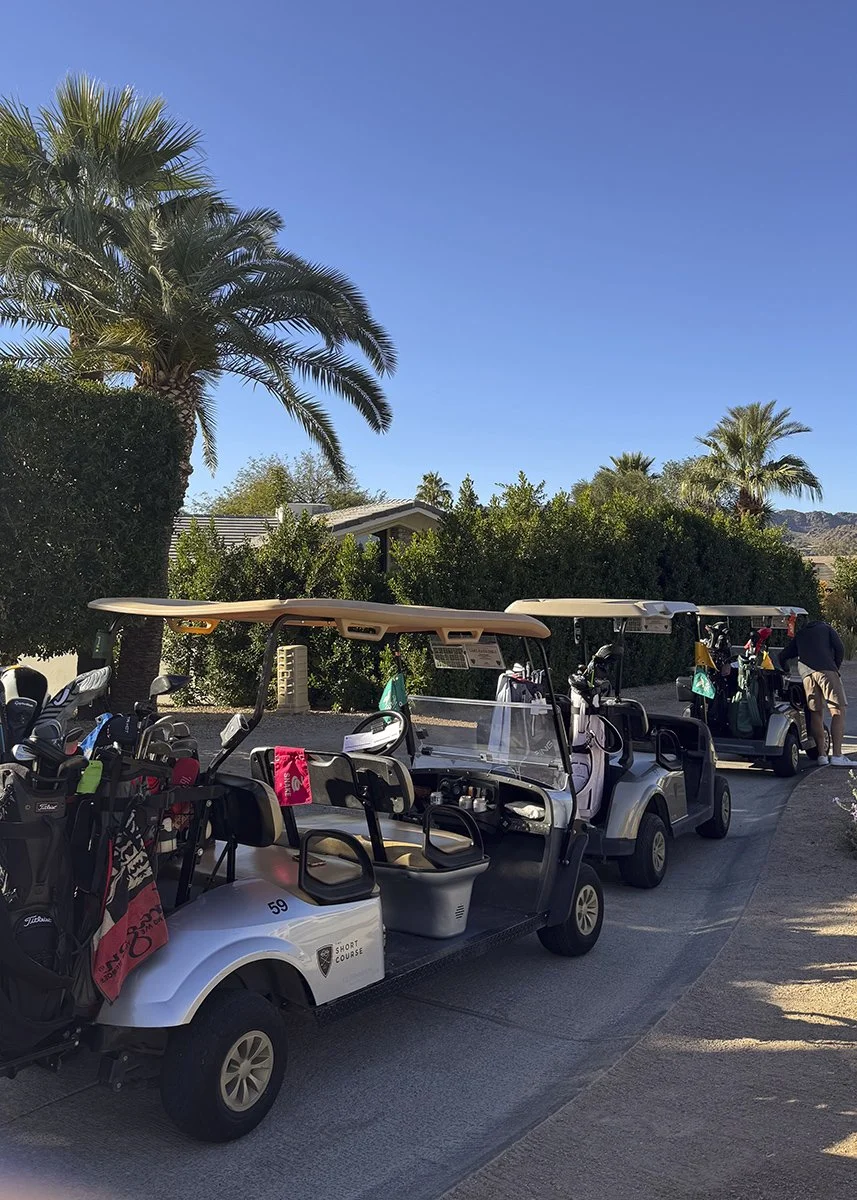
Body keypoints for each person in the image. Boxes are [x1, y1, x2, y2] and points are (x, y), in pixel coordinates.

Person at [781, 618, 850, 766]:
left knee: (815, 713)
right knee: (838, 710)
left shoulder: (800, 634)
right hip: (827, 670)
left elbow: (783, 655)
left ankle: (822, 755)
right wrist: (835, 667)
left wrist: (785, 668)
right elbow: (840, 648)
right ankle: (837, 755)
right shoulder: (827, 628)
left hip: (807, 676)